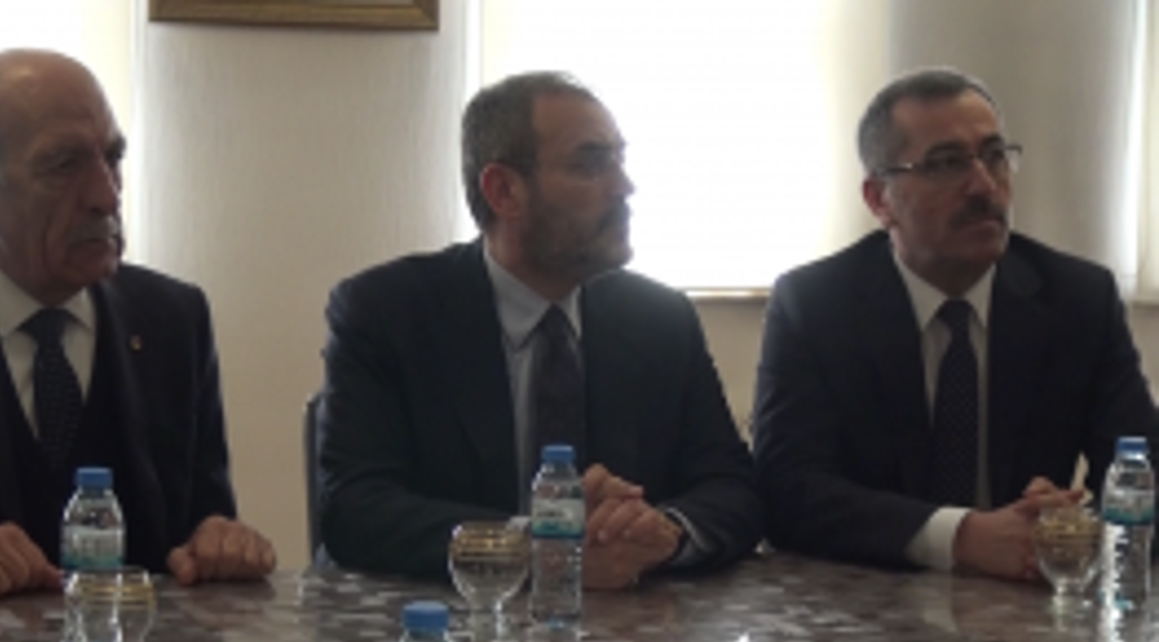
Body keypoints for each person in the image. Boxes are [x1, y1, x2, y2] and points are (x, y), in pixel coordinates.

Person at [319, 71, 761, 588]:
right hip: (443, 623)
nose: (624, 187)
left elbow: (734, 488)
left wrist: (664, 533)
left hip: (626, 628)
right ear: (504, 191)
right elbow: (355, 508)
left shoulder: (661, 319)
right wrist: (537, 547)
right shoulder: (388, 311)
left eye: (619, 160)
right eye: (590, 164)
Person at [0, 49, 276, 598]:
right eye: (64, 164)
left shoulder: (173, 319)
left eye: (112, 158)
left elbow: (202, 524)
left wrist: (221, 542)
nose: (106, 195)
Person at [753, 67, 1158, 580]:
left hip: (1029, 607)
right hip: (871, 599)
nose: (983, 185)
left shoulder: (1077, 299)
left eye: (995, 155)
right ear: (879, 199)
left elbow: (1144, 471)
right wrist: (961, 536)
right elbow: (786, 490)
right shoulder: (816, 306)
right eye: (946, 164)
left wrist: (1072, 524)